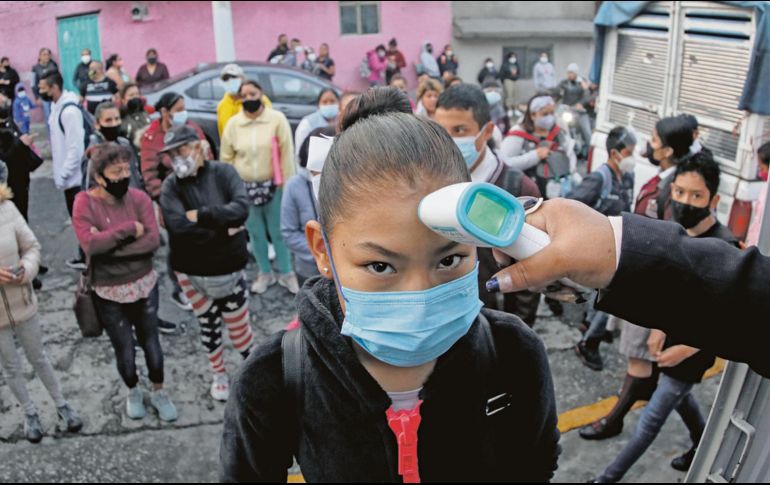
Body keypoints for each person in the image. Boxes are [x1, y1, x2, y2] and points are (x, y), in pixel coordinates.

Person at [220, 110, 559, 484]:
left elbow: (535, 465)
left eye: (448, 259)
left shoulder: (514, 353)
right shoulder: (275, 377)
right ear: (322, 251)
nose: (420, 296)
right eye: (381, 266)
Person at [590, 151, 736, 483]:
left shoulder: (726, 247)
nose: (685, 201)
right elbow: (672, 292)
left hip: (691, 351)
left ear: (714, 199)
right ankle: (701, 439)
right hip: (667, 342)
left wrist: (684, 348)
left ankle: (605, 478)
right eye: (680, 192)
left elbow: (724, 318)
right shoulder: (677, 234)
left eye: (696, 195)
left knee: (650, 421)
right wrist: (658, 327)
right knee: (682, 401)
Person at [72, 143, 177, 422]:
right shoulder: (84, 202)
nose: (122, 177)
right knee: (125, 350)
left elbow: (153, 241)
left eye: (125, 170)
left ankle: (158, 390)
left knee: (151, 342)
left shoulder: (139, 199)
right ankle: (133, 390)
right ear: (98, 177)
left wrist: (109, 243)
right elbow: (90, 246)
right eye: (115, 172)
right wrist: (130, 229)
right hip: (107, 291)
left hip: (144, 284)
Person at [159, 124, 255, 402]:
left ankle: (253, 372)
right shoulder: (171, 186)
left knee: (240, 330)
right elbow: (177, 227)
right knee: (208, 326)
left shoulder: (224, 173)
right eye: (171, 154)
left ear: (200, 146)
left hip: (230, 269)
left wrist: (200, 215)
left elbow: (241, 208)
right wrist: (224, 229)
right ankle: (219, 374)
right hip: (192, 273)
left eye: (183, 149)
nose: (178, 158)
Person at [435, 84, 542, 327]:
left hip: (494, 320)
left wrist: (518, 329)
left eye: (460, 130)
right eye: (441, 131)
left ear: (486, 131)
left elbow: (532, 273)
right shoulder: (429, 182)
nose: (449, 141)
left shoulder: (517, 188)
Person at [0, 177, 82, 443]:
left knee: (39, 357)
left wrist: (26, 269)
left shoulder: (7, 209)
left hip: (23, 300)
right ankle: (30, 413)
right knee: (11, 367)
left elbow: (32, 247)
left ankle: (62, 404)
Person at [219, 80, 298, 294]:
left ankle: (286, 272)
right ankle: (265, 273)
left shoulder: (276, 120)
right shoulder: (234, 125)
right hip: (244, 189)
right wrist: (230, 190)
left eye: (253, 94)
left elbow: (286, 153)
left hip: (274, 185)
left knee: (278, 231)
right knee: (255, 233)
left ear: (262, 94)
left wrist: (287, 187)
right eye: (244, 96)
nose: (249, 99)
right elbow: (226, 158)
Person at [570, 126, 637, 371]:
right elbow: (570, 205)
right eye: (630, 152)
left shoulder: (627, 176)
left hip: (619, 249)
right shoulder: (599, 179)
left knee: (604, 296)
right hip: (598, 250)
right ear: (615, 153)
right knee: (615, 298)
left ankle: (588, 324)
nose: (634, 156)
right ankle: (589, 344)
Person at [140, 91, 210, 311]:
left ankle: (203, 280)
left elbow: (207, 158)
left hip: (199, 199)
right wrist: (167, 199)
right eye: (178, 109)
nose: (183, 113)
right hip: (172, 204)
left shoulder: (193, 129)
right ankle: (180, 288)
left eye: (183, 108)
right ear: (164, 112)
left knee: (202, 241)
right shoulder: (151, 138)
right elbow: (149, 175)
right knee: (178, 246)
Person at [38, 71, 87, 270]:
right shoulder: (55, 107)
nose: (39, 91)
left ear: (54, 87)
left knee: (82, 222)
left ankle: (88, 259)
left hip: (75, 180)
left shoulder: (69, 111)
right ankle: (83, 255)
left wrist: (64, 173)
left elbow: (76, 148)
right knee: (78, 221)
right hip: (67, 180)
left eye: (43, 88)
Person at [281, 125, 333, 287]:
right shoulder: (294, 186)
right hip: (309, 270)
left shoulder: (347, 184)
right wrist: (322, 253)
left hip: (344, 269)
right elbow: (288, 232)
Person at [499, 93, 578, 198]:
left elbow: (570, 154)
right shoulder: (518, 134)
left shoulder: (559, 132)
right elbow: (504, 163)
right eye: (545, 114)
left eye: (552, 113)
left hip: (557, 194)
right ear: (533, 115)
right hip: (528, 195)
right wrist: (535, 156)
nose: (549, 117)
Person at [88, 102, 144, 190]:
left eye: (117, 119)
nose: (114, 124)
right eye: (108, 120)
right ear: (97, 124)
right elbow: (89, 186)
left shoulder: (125, 144)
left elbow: (135, 175)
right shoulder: (94, 151)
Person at [216, 63, 272, 138]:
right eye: (226, 79)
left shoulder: (258, 99)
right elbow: (223, 134)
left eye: (233, 78)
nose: (229, 81)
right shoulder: (222, 105)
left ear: (242, 78)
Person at [293, 88, 340, 160]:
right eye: (324, 102)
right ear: (318, 105)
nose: (329, 104)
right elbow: (300, 154)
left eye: (332, 101)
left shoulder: (342, 119)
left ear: (339, 103)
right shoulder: (307, 123)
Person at [557, 63, 592, 152]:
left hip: (580, 112)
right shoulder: (564, 83)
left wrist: (581, 103)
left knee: (587, 131)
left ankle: (589, 152)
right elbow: (556, 91)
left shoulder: (582, 82)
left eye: (571, 72)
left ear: (576, 73)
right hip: (567, 110)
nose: (569, 74)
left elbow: (588, 94)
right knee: (560, 127)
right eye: (568, 72)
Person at [118, 82, 151, 149]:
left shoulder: (144, 113)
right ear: (123, 100)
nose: (135, 97)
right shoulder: (120, 118)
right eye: (131, 95)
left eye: (137, 94)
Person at [31, 48, 59, 122]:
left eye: (48, 55)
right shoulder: (35, 68)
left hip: (54, 95)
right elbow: (33, 84)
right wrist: (37, 97)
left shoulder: (53, 66)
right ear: (40, 56)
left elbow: (58, 80)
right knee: (48, 117)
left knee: (56, 115)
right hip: (44, 96)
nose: (47, 56)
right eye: (44, 54)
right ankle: (51, 133)